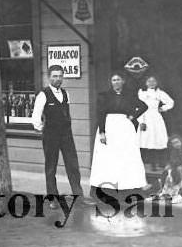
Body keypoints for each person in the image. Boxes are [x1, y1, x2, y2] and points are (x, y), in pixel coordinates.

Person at [31, 64, 86, 204]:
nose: (58, 79)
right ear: (49, 77)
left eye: (60, 76)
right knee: (51, 166)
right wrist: (42, 128)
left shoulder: (66, 93)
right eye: (55, 76)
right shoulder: (43, 94)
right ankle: (53, 199)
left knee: (72, 165)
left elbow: (66, 113)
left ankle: (78, 196)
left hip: (66, 134)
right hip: (51, 134)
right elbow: (36, 117)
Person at [89, 71, 149, 191]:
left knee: (126, 154)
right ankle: (107, 185)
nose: (116, 82)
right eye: (113, 80)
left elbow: (144, 106)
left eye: (118, 79)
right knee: (109, 156)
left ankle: (127, 184)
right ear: (111, 83)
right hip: (109, 126)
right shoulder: (104, 95)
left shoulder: (129, 94)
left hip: (125, 127)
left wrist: (133, 116)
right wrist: (102, 132)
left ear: (123, 81)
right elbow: (100, 114)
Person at [137, 74, 175, 170]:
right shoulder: (141, 93)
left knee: (156, 139)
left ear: (157, 82)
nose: (151, 83)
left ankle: (157, 164)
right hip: (144, 116)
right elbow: (137, 107)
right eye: (149, 81)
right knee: (145, 140)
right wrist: (141, 121)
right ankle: (146, 164)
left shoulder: (159, 93)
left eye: (153, 81)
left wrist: (162, 108)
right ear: (145, 83)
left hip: (155, 118)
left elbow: (171, 102)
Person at [154, 133, 182, 202]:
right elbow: (170, 161)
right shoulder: (172, 153)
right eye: (174, 143)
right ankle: (164, 190)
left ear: (181, 141)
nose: (176, 144)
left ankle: (180, 191)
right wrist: (168, 165)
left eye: (177, 142)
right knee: (166, 171)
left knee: (180, 169)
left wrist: (179, 165)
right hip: (174, 168)